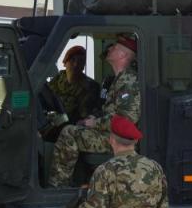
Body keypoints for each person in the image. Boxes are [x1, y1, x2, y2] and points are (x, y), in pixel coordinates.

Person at [49, 35, 140, 187]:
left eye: (115, 47)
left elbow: (126, 121)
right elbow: (108, 110)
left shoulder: (130, 82)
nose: (110, 49)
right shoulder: (116, 80)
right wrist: (90, 119)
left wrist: (94, 123)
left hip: (118, 139)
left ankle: (58, 188)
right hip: (109, 133)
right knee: (72, 128)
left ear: (123, 55)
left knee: (69, 133)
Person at [49, 46, 101, 124]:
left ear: (83, 66)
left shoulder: (92, 86)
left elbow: (90, 114)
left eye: (80, 61)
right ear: (65, 63)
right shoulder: (54, 82)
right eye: (72, 60)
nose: (76, 64)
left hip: (74, 127)